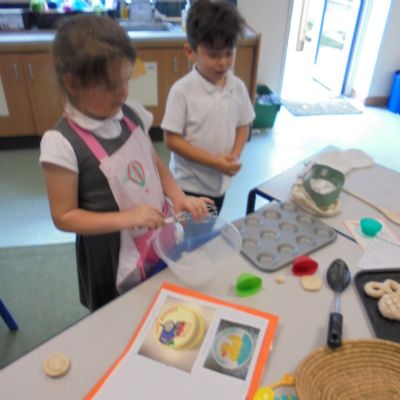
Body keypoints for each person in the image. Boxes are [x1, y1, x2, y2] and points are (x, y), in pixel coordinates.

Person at [39, 14, 212, 311]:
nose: (123, 92)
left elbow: (153, 161)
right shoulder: (61, 143)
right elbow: (64, 216)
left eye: (126, 80)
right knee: (116, 315)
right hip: (110, 255)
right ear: (73, 84)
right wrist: (127, 218)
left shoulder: (130, 113)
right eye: (110, 86)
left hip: (153, 234)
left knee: (155, 300)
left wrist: (178, 197)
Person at [161, 0, 255, 214]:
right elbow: (171, 140)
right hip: (188, 186)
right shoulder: (182, 91)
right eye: (213, 55)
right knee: (186, 231)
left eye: (229, 53)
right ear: (190, 51)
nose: (222, 62)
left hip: (220, 184)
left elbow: (243, 125)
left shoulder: (237, 86)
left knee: (208, 227)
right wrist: (214, 162)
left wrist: (234, 155)